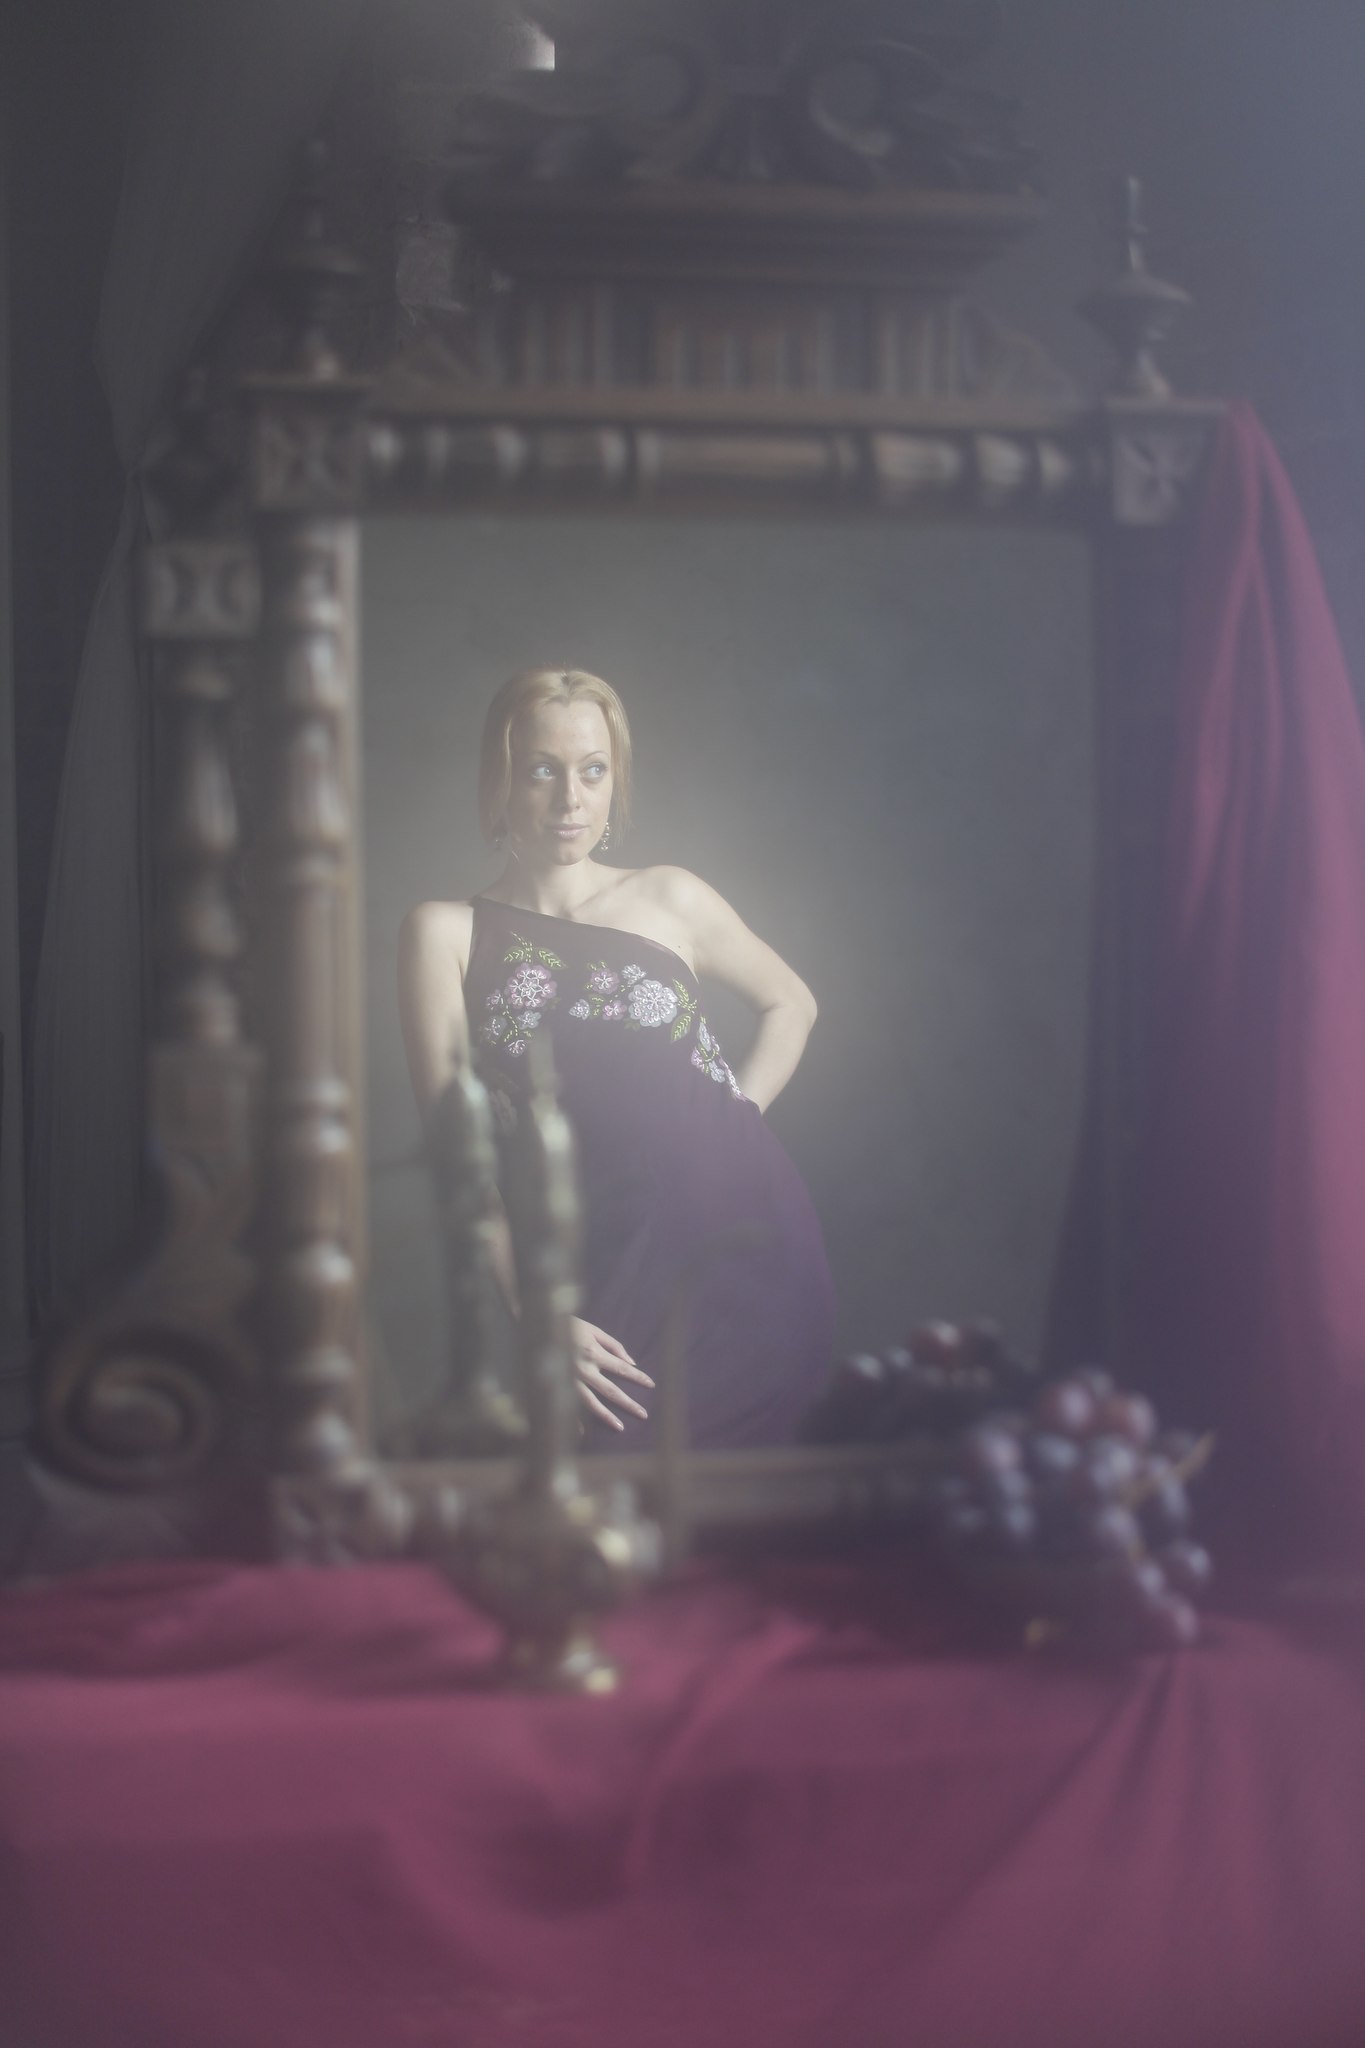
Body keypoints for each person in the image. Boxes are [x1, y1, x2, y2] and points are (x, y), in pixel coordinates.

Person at [398, 666, 835, 1449]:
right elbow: (458, 1163)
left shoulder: (670, 896)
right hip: (605, 1261)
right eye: (542, 771)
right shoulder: (444, 934)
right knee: (612, 1487)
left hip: (754, 1245)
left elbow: (791, 1003)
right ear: (500, 779)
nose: (571, 798)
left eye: (593, 770)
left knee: (763, 1503)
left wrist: (736, 1114)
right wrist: (536, 1311)